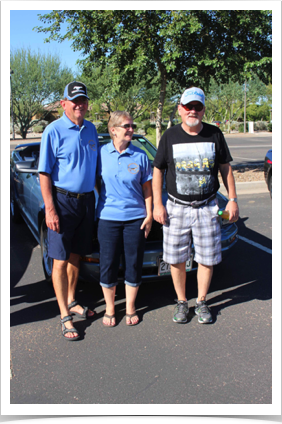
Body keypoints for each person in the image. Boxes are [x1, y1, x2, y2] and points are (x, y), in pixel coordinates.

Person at [152, 87, 239, 324]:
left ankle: (201, 301)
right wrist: (157, 206)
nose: (193, 111)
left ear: (203, 110)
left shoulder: (214, 134)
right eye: (188, 106)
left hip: (207, 206)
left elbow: (225, 168)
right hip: (176, 208)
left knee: (207, 258)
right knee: (176, 258)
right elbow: (158, 169)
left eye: (197, 107)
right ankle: (182, 302)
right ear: (180, 109)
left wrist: (232, 199)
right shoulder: (169, 136)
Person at [38, 81, 99, 341]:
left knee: (76, 256)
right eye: (74, 101)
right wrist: (50, 209)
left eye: (83, 100)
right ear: (63, 103)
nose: (79, 105)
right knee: (60, 260)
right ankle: (65, 315)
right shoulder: (53, 131)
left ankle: (73, 299)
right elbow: (44, 173)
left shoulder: (92, 130)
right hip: (62, 203)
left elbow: (96, 170)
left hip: (86, 202)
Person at [96, 111, 153, 327]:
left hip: (135, 218)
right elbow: (96, 181)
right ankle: (111, 308)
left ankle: (130, 306)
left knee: (133, 262)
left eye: (132, 126)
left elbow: (147, 188)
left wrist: (149, 215)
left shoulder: (139, 156)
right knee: (108, 263)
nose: (131, 129)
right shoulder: (101, 154)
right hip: (107, 218)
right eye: (126, 126)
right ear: (113, 130)